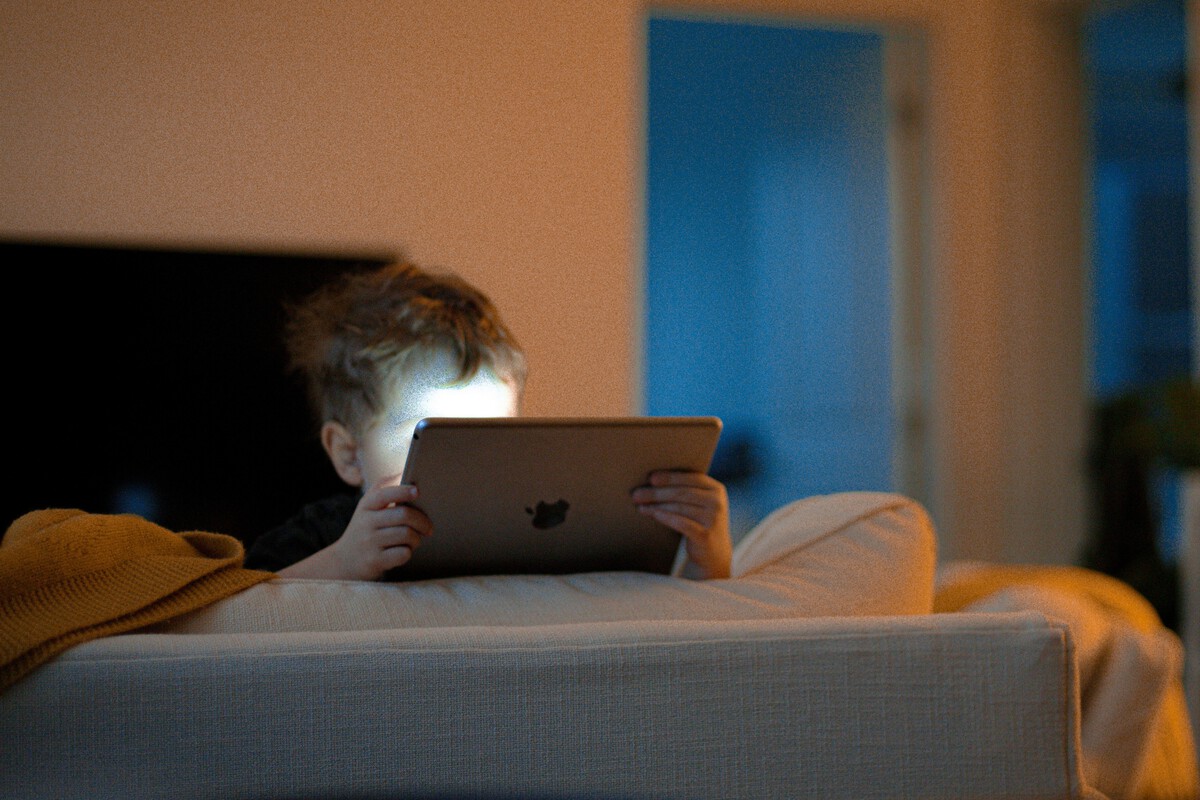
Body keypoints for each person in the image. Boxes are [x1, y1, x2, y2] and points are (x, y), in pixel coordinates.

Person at [244, 262, 731, 581]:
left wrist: (708, 557)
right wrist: (343, 561)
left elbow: (655, 614)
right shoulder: (329, 532)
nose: (471, 463)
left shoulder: (541, 528)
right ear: (350, 454)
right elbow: (239, 611)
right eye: (434, 435)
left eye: (493, 433)